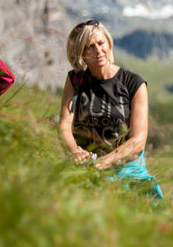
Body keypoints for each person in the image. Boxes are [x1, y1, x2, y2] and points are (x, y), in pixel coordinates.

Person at [59, 19, 162, 198]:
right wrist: (74, 150)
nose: (98, 51)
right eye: (89, 46)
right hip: (85, 171)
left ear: (109, 43)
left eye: (101, 43)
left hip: (126, 171)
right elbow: (64, 126)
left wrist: (102, 163)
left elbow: (138, 141)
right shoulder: (75, 80)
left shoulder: (134, 83)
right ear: (80, 52)